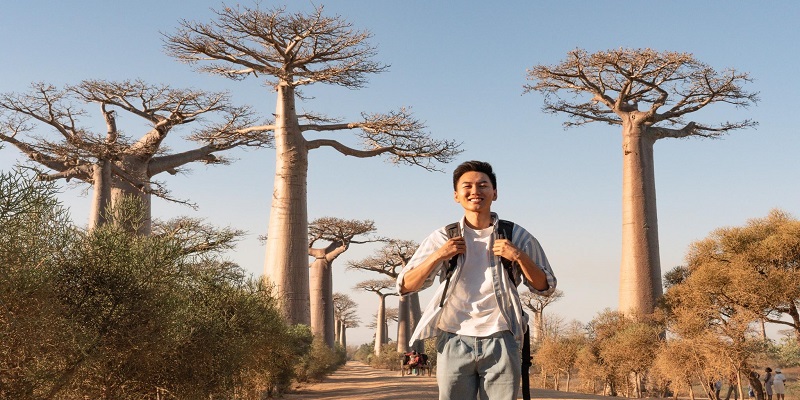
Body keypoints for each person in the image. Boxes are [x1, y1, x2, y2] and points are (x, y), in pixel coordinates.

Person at [397, 160, 557, 400]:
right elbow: (405, 285)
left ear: (495, 192)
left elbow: (545, 286)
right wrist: (440, 255)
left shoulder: (516, 235)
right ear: (456, 196)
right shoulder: (442, 237)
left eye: (483, 185)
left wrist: (519, 256)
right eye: (467, 186)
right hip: (453, 338)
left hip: (502, 336)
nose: (475, 191)